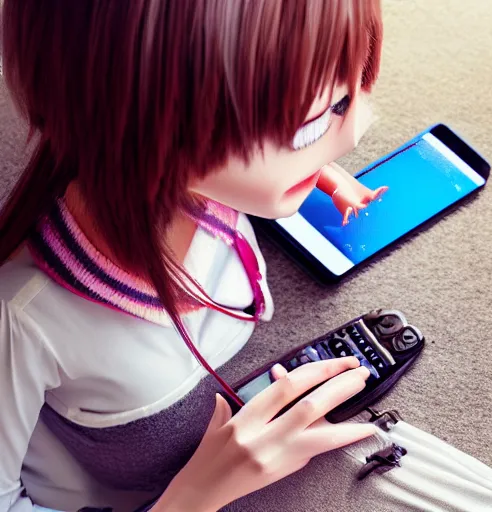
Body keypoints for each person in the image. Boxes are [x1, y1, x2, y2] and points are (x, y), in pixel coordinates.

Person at [0, 1, 387, 510]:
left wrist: (321, 172)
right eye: (314, 125)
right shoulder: (24, 319)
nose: (362, 128)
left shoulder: (201, 181)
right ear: (154, 126)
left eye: (355, 89)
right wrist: (195, 497)